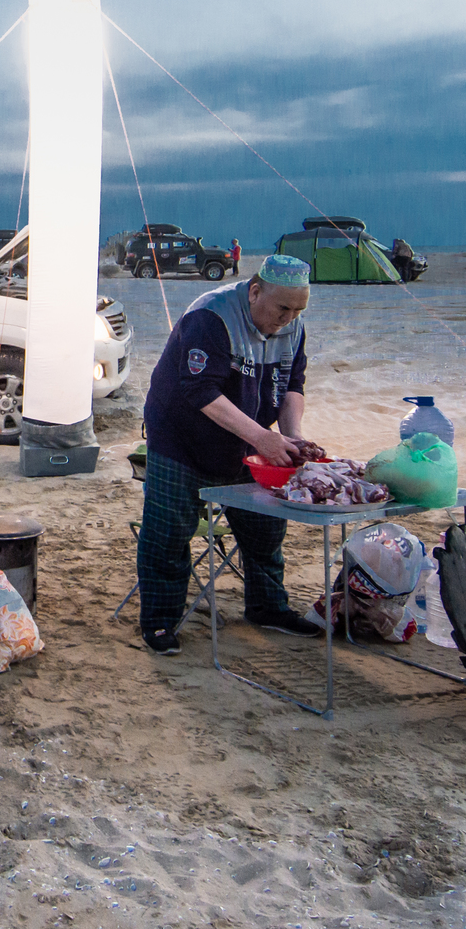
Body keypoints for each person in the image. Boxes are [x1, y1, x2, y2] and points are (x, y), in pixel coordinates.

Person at [135, 254, 321, 654]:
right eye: (282, 308)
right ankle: (160, 622)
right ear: (255, 292)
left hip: (246, 439)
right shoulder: (211, 317)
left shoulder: (293, 326)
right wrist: (261, 438)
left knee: (265, 529)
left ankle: (268, 607)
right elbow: (201, 392)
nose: (289, 317)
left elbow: (293, 386)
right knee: (168, 534)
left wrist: (293, 437)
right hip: (180, 437)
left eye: (298, 309)